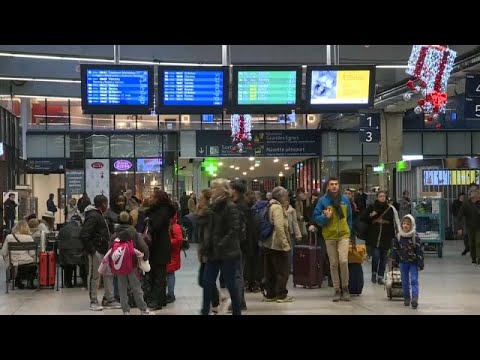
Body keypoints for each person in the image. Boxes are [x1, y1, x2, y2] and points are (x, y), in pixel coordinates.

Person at [200, 178, 243, 315]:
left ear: (222, 190)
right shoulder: (213, 206)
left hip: (228, 253)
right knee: (207, 282)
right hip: (213, 252)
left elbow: (234, 229)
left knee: (231, 284)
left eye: (214, 188)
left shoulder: (230, 206)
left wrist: (220, 243)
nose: (212, 191)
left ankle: (237, 310)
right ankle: (204, 310)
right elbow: (211, 229)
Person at [313, 177, 352, 302]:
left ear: (339, 186)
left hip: (343, 235)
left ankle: (345, 287)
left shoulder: (345, 200)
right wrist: (325, 217)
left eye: (336, 184)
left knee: (344, 261)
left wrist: (349, 231)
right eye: (331, 184)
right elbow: (316, 218)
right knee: (334, 263)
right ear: (328, 186)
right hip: (329, 236)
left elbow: (350, 217)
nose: (334, 186)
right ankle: (337, 289)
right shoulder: (322, 201)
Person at [80, 195, 121, 311]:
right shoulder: (93, 216)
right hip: (97, 251)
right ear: (103, 204)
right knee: (95, 276)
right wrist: (92, 250)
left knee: (108, 274)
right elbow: (84, 234)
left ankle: (109, 299)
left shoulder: (99, 215)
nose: (107, 206)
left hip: (104, 250)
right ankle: (93, 301)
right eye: (106, 204)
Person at [108, 211, 152, 315]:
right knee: (136, 287)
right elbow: (144, 247)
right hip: (132, 264)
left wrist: (111, 264)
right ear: (130, 220)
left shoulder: (115, 234)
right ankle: (143, 309)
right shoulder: (134, 233)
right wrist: (145, 258)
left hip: (119, 265)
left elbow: (110, 251)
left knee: (122, 288)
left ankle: (125, 310)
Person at [144, 190, 176, 310]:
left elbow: (156, 226)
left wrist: (149, 221)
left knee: (158, 274)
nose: (150, 198)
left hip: (160, 246)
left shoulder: (162, 211)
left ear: (158, 199)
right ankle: (160, 299)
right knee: (157, 273)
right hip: (158, 245)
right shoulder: (158, 210)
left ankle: (157, 300)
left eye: (153, 196)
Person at [262, 186, 293, 303]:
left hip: (268, 243)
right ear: (282, 196)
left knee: (270, 270)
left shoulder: (269, 205)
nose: (287, 198)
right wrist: (285, 245)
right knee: (282, 270)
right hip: (277, 244)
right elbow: (280, 227)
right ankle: (281, 294)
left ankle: (270, 294)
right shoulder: (277, 208)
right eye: (285, 195)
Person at [361, 191, 397, 285]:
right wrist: (370, 215)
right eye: (380, 196)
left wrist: (393, 237)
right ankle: (374, 273)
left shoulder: (389, 208)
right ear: (377, 197)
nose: (382, 198)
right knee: (376, 257)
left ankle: (380, 276)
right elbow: (363, 217)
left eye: (383, 196)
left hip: (386, 236)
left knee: (384, 258)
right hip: (375, 236)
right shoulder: (372, 207)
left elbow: (392, 223)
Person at [392, 214, 424, 309]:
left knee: (414, 280)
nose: (405, 226)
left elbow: (419, 250)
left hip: (413, 263)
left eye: (408, 224)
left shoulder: (415, 237)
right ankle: (406, 297)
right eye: (404, 224)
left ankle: (414, 298)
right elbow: (395, 249)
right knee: (404, 282)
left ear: (412, 225)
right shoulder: (399, 236)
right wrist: (394, 260)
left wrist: (420, 262)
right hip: (403, 263)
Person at [230, 181, 253, 311]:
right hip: (242, 245)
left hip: (239, 245)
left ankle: (238, 302)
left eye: (231, 189)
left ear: (235, 191)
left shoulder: (240, 207)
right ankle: (240, 301)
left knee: (236, 274)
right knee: (237, 274)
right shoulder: (242, 205)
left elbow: (241, 229)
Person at [0, 220, 36, 289]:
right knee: (34, 264)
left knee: (21, 264)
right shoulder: (29, 237)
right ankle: (29, 282)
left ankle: (18, 280)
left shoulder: (9, 237)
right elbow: (32, 253)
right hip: (26, 260)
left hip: (13, 261)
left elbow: (3, 252)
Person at [58, 215, 86, 288]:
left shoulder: (62, 230)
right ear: (79, 221)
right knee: (85, 260)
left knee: (68, 262)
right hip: (80, 257)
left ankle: (68, 282)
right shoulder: (82, 229)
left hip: (66, 257)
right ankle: (84, 280)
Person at [458, 189, 480, 265]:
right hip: (470, 227)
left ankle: (479, 258)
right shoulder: (466, 204)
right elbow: (459, 216)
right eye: (477, 196)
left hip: (479, 227)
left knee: (478, 242)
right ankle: (473, 258)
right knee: (471, 244)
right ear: (473, 197)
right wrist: (460, 228)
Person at [166, 207, 183, 304]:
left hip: (172, 254)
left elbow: (179, 239)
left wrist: (167, 242)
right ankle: (169, 293)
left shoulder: (175, 226)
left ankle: (171, 293)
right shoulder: (170, 225)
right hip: (170, 254)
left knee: (170, 274)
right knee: (168, 274)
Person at [285, 197, 302, 273]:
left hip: (290, 234)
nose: (285, 202)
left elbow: (295, 223)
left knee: (291, 251)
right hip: (283, 233)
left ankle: (291, 267)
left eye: (287, 201)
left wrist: (298, 235)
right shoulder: (279, 210)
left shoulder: (292, 211)